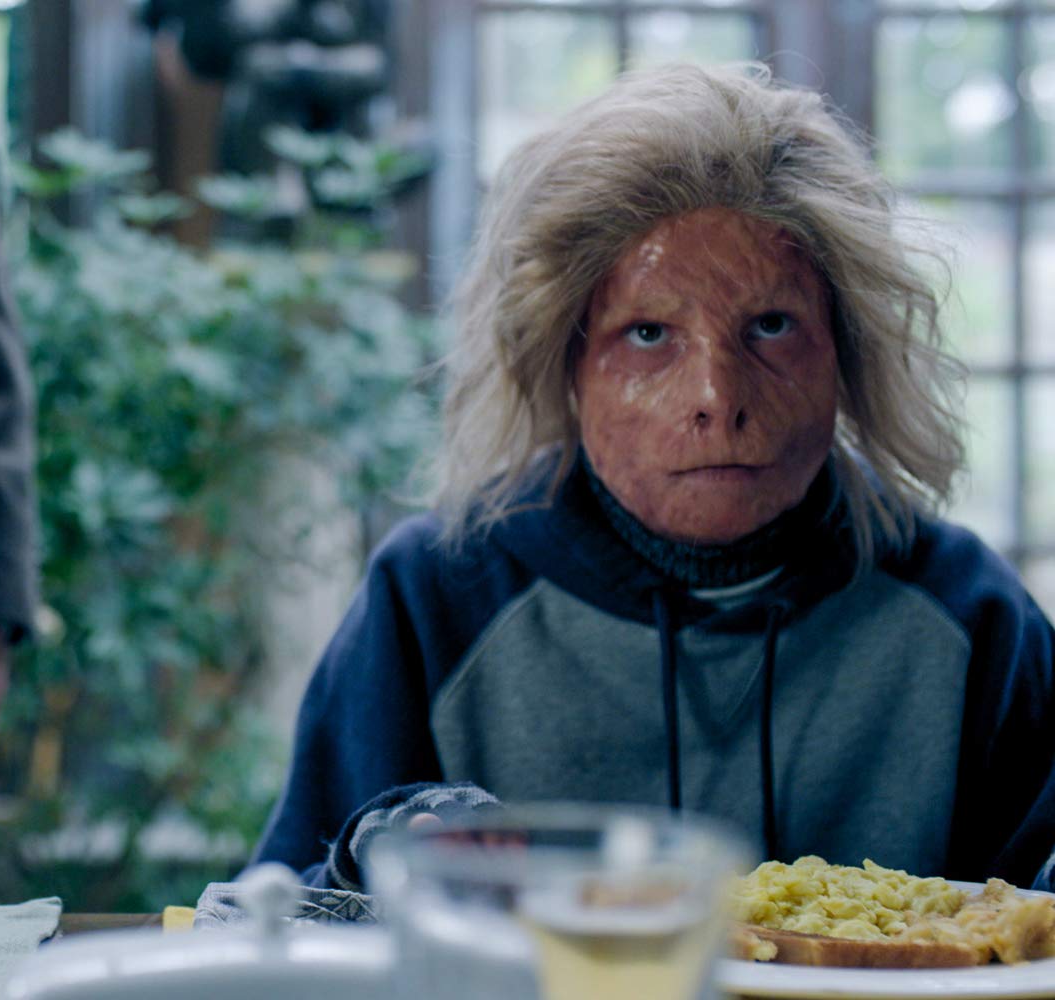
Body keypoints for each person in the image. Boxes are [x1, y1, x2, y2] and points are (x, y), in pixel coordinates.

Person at [251, 62, 1055, 892]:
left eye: (771, 325)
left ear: (846, 353)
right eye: (647, 334)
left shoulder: (970, 615)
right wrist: (385, 850)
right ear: (565, 365)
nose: (718, 397)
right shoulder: (437, 595)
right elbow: (273, 917)